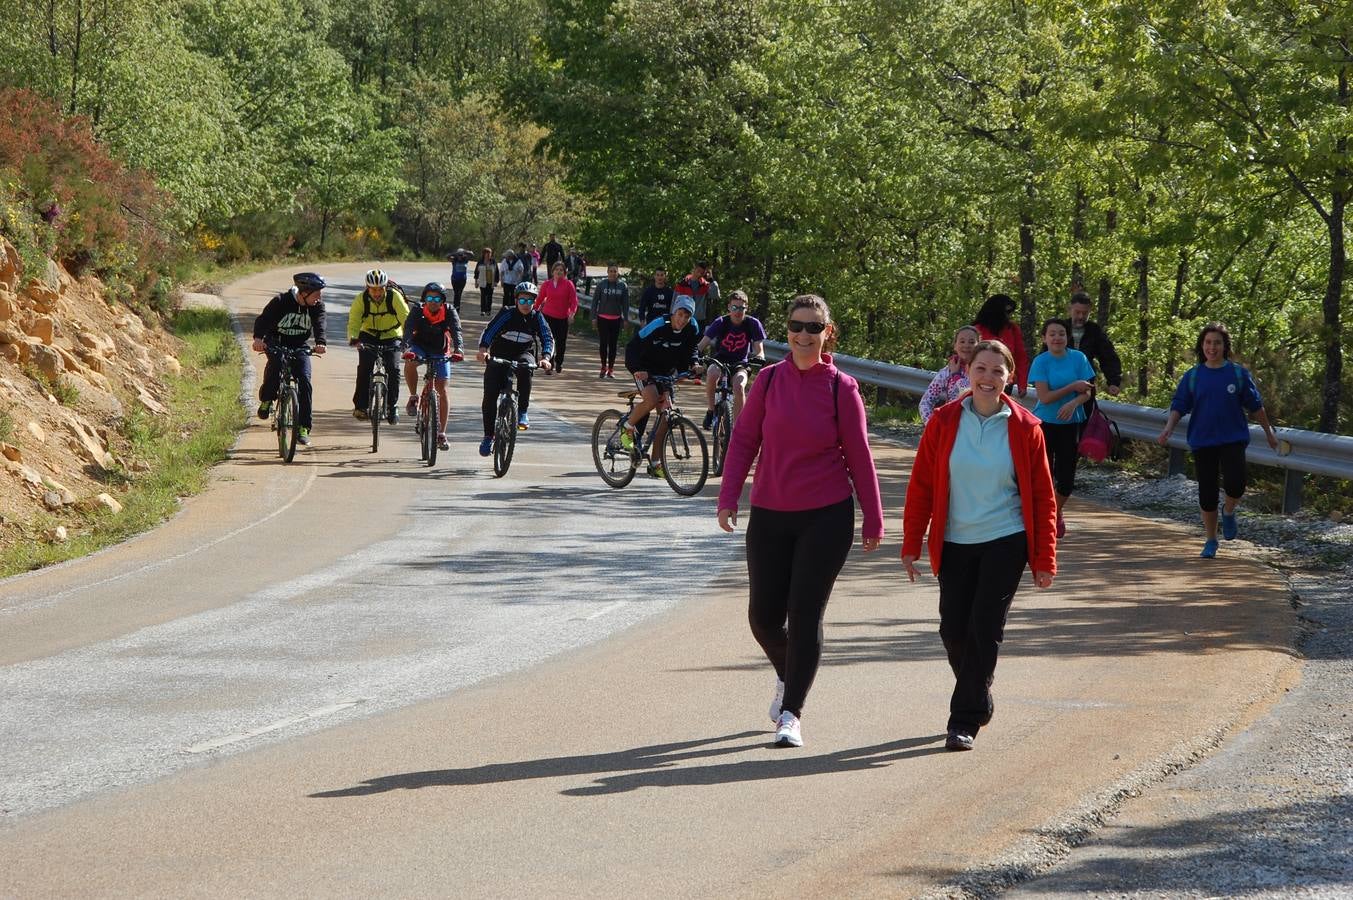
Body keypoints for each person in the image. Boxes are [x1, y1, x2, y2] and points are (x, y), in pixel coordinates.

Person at [716, 294, 883, 749]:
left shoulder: (840, 387)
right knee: (764, 619)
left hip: (825, 515)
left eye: (813, 327)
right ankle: (790, 677)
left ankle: (792, 712)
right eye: (796, 325)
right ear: (785, 330)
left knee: (804, 614)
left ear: (828, 333)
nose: (803, 334)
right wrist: (728, 497)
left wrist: (873, 515)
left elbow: (859, 455)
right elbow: (744, 440)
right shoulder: (769, 382)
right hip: (770, 511)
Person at [901, 339, 1057, 752]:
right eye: (981, 369)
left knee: (984, 628)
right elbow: (921, 486)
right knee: (953, 629)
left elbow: (1043, 497)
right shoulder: (944, 421)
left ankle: (963, 719)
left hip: (1006, 539)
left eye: (997, 371)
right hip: (954, 540)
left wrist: (1045, 558)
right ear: (967, 372)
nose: (988, 378)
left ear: (1010, 378)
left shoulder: (1026, 429)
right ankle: (979, 693)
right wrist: (911, 543)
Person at [1157, 322, 1279, 558]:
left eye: (1217, 343)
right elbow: (1179, 405)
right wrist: (1168, 429)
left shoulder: (1237, 374)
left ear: (1225, 346)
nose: (1212, 347)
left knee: (1236, 484)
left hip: (1232, 438)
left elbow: (1256, 406)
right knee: (1207, 493)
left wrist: (1269, 433)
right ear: (1202, 346)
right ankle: (1211, 540)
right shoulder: (1193, 376)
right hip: (1203, 441)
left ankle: (1229, 510)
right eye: (1208, 343)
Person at [618, 295, 702, 479]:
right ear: (673, 312)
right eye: (680, 314)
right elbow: (633, 347)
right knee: (651, 398)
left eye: (687, 317)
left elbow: (692, 348)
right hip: (644, 368)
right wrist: (638, 369)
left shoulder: (692, 328)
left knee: (666, 416)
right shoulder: (658, 324)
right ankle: (627, 427)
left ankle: (656, 463)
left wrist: (694, 364)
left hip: (666, 372)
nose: (682, 320)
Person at [1029, 319, 1096, 538]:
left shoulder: (1079, 358)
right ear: (1044, 338)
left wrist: (1074, 401)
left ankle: (1055, 513)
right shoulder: (1041, 362)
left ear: (1068, 337)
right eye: (1052, 334)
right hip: (1045, 424)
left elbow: (1087, 391)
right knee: (1045, 474)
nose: (1057, 338)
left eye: (1061, 334)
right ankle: (1046, 517)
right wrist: (1071, 388)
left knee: (1066, 479)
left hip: (1071, 423)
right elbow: (1045, 397)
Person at [251, 272, 329, 446]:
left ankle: (303, 428)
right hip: (275, 342)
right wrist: (258, 339)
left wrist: (321, 342)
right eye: (316, 293)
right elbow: (263, 320)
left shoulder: (317, 306)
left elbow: (320, 324)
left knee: (304, 380)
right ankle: (267, 399)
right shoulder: (281, 301)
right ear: (304, 292)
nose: (319, 297)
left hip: (299, 345)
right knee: (276, 364)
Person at [477, 282, 555, 454]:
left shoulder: (537, 317)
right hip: (500, 354)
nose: (526, 305)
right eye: (522, 300)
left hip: (523, 352)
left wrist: (546, 358)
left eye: (530, 301)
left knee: (526, 368)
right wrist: (483, 350)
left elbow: (547, 338)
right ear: (516, 300)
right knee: (490, 395)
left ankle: (522, 412)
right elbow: (490, 331)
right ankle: (488, 437)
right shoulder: (507, 313)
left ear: (534, 302)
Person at [402, 283, 465, 451]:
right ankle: (414, 396)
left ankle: (441, 434)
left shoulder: (450, 311)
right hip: (419, 347)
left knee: (442, 391)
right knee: (410, 362)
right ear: (424, 299)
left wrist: (459, 350)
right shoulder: (417, 310)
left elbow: (456, 331)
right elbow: (408, 330)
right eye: (429, 298)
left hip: (440, 350)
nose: (433, 302)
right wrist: (406, 349)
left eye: (437, 298)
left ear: (443, 301)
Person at [347, 268, 409, 422]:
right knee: (364, 368)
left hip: (392, 335)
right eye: (373, 289)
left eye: (380, 289)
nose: (376, 293)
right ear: (367, 287)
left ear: (385, 287)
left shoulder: (394, 297)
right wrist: (354, 339)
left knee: (393, 369)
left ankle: (392, 406)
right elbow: (354, 322)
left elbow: (406, 318)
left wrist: (408, 340)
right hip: (369, 335)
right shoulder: (361, 299)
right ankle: (361, 407)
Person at [698, 289, 766, 428]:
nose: (738, 311)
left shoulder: (752, 323)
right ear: (729, 307)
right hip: (720, 359)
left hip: (741, 363)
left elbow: (760, 349)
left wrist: (759, 357)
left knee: (739, 386)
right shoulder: (721, 322)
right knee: (712, 373)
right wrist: (695, 356)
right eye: (734, 307)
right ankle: (711, 411)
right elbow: (702, 344)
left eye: (742, 307)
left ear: (747, 308)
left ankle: (739, 426)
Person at [919, 325, 979, 423]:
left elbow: (969, 395)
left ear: (979, 346)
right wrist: (932, 426)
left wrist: (956, 376)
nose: (966, 345)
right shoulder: (946, 372)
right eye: (962, 341)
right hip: (952, 426)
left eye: (972, 342)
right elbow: (925, 402)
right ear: (955, 346)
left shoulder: (983, 371)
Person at [1067, 291, 1123, 395]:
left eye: (1085, 313)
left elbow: (1108, 357)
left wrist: (1113, 382)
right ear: (1070, 309)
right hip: (1060, 383)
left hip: (1085, 384)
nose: (1080, 317)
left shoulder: (1094, 331)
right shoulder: (1059, 329)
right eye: (1077, 312)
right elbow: (1045, 355)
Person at [973, 294, 1029, 396]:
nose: (1009, 316)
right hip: (978, 378)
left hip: (1003, 379)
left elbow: (1021, 358)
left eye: (1010, 312)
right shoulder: (977, 329)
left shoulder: (1012, 329)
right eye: (1006, 312)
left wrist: (1022, 384)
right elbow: (964, 354)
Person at [537, 261, 579, 375]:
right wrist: (533, 311)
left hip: (562, 318)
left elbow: (574, 301)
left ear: (564, 272)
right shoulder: (547, 284)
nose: (559, 272)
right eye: (557, 269)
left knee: (561, 343)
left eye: (561, 270)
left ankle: (559, 362)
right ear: (553, 271)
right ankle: (549, 365)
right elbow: (540, 299)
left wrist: (572, 314)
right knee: (549, 340)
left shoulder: (568, 284)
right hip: (547, 316)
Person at [592, 263, 630, 379]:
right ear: (607, 272)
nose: (613, 273)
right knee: (603, 344)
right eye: (611, 271)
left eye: (615, 271)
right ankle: (603, 366)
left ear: (617, 273)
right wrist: (593, 317)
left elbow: (625, 304)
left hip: (616, 319)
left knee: (613, 345)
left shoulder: (622, 286)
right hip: (602, 318)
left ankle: (611, 369)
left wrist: (626, 319)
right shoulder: (602, 285)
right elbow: (594, 301)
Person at [475, 247, 499, 316]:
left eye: (489, 253)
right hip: (482, 282)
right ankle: (483, 310)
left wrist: (496, 281)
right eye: (487, 253)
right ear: (484, 254)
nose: (488, 254)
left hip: (491, 282)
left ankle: (488, 310)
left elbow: (497, 272)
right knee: (483, 297)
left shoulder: (493, 262)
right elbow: (476, 272)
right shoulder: (480, 262)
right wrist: (476, 282)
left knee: (489, 297)